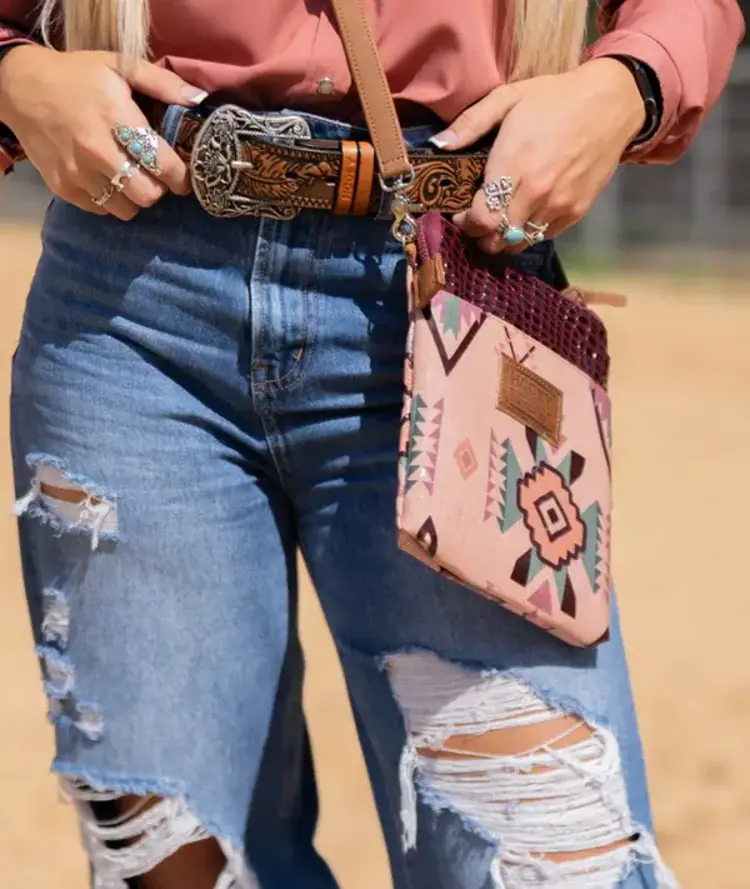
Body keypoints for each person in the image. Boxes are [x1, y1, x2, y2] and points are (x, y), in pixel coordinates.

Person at [0, 1, 743, 887]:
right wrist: (15, 77)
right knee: (174, 860)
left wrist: (627, 88)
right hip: (132, 309)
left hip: (451, 294)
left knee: (556, 858)